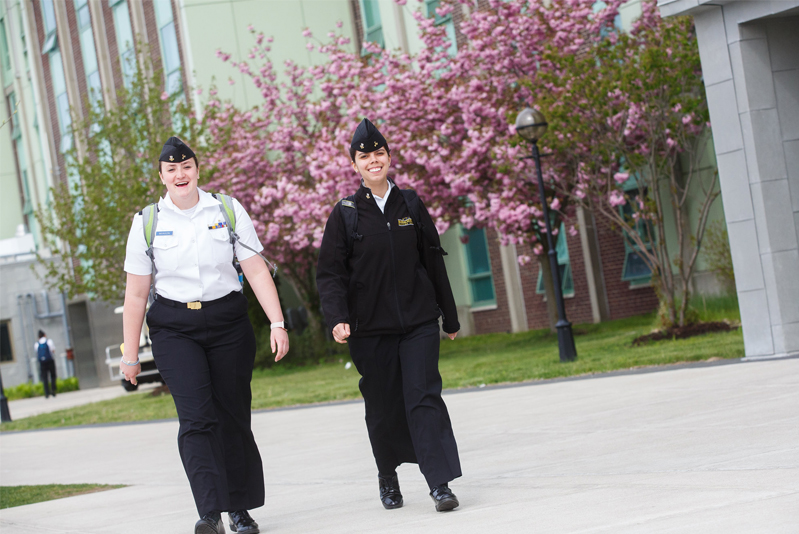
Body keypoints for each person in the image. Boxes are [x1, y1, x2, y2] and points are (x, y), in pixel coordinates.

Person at [121, 137, 289, 534]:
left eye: (186, 167)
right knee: (196, 419)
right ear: (161, 176)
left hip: (228, 323)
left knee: (233, 416)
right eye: (171, 169)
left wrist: (277, 323)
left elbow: (256, 270)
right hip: (175, 329)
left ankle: (241, 509)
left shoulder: (227, 209)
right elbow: (136, 293)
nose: (180, 174)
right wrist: (130, 354)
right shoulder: (148, 222)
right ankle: (210, 513)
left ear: (197, 169)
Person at [316, 119, 462, 513]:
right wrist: (337, 318)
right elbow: (330, 274)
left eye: (379, 153)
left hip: (417, 323)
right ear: (355, 165)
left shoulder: (410, 204)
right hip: (370, 330)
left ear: (389, 157)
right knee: (383, 407)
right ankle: (388, 474)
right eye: (365, 156)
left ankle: (439, 483)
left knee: (424, 397)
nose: (374, 161)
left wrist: (449, 317)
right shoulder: (345, 214)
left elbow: (433, 260)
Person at [34, 330, 57, 398]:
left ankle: (47, 393)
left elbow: (37, 353)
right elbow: (52, 350)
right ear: (44, 335)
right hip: (50, 360)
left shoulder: (36, 344)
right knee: (53, 375)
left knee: (45, 377)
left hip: (42, 362)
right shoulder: (49, 341)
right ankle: (53, 390)